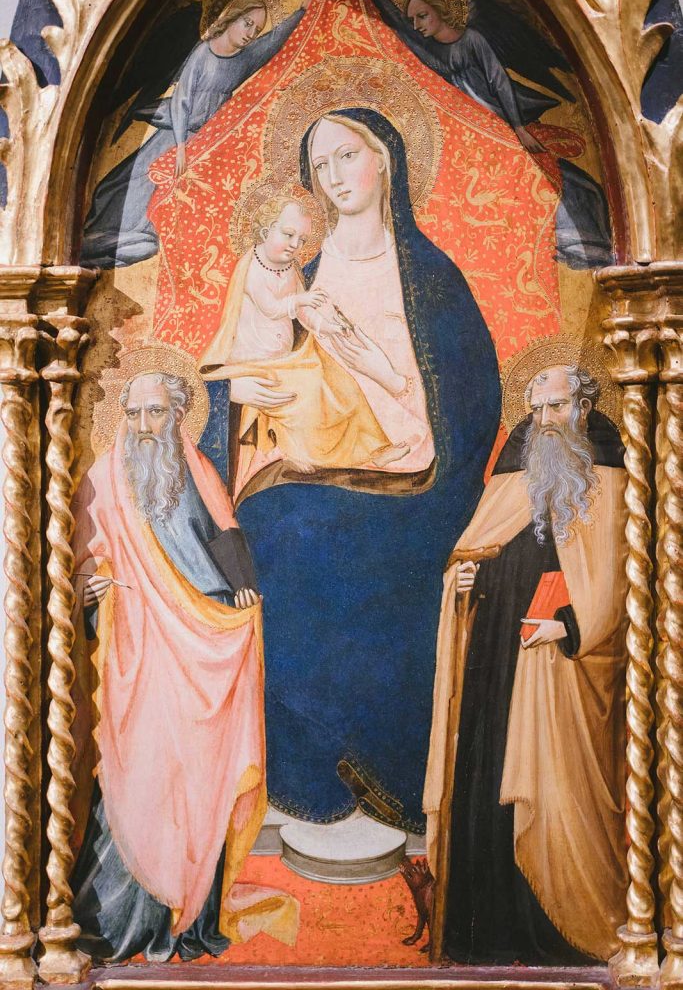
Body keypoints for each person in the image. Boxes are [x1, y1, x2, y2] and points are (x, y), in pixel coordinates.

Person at [221, 108, 501, 832]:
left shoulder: (431, 278)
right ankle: (307, 769)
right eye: (319, 166)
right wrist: (242, 393)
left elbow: (470, 401)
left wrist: (395, 395)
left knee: (320, 532)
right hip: (318, 458)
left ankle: (385, 765)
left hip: (422, 477)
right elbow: (252, 364)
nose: (334, 177)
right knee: (266, 522)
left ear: (387, 159)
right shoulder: (300, 277)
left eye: (347, 156)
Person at [70, 363, 297, 962]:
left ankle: (190, 922)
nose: (144, 425)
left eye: (156, 412)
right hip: (138, 652)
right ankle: (123, 924)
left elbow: (226, 534)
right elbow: (78, 562)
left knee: (202, 782)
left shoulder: (196, 470)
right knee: (139, 777)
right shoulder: (102, 479)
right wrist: (88, 587)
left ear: (177, 418)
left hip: (203, 645)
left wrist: (241, 588)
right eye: (134, 413)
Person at [424, 359, 628, 964]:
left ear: (583, 409)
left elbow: (618, 582)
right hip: (494, 660)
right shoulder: (514, 474)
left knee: (559, 792)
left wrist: (569, 626)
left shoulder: (609, 479)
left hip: (560, 664)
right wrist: (462, 580)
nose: (544, 420)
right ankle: (487, 934)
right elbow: (474, 550)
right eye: (537, 409)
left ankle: (562, 933)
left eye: (557, 406)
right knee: (487, 781)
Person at [360, 0, 613, 270]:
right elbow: (401, 30)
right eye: (414, 19)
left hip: (497, 125)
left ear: (441, 10)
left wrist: (518, 128)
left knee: (543, 174)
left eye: (423, 16)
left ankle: (579, 234)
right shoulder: (432, 52)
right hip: (469, 133)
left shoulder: (472, 40)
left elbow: (499, 82)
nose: (417, 25)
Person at [80, 0, 323, 269]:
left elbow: (272, 43)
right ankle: (103, 235)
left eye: (256, 29)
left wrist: (302, 9)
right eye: (247, 23)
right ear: (231, 17)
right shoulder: (202, 54)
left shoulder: (243, 60)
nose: (251, 34)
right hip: (176, 138)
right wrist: (181, 147)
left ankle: (142, 239)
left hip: (204, 144)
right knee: (136, 182)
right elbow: (181, 103)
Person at [199, 191, 406, 477]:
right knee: (304, 395)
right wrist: (301, 299)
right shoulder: (252, 268)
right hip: (255, 364)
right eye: (288, 234)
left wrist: (325, 326)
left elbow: (302, 314)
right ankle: (298, 453)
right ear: (266, 230)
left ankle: (376, 449)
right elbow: (272, 309)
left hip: (290, 359)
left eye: (302, 240)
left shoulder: (290, 267)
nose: (295, 244)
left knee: (342, 383)